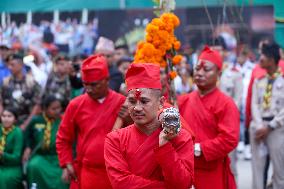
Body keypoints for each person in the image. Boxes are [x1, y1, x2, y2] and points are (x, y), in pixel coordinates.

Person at [104, 63, 194, 189]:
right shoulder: (115, 139)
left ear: (161, 102)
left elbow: (183, 184)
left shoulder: (180, 137)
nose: (137, 108)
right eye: (132, 101)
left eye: (144, 101)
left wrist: (164, 145)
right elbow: (121, 184)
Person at [56, 54, 126, 189]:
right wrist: (67, 163)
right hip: (87, 171)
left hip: (117, 172)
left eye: (94, 85)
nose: (88, 89)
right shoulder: (75, 105)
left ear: (107, 80)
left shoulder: (122, 103)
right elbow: (63, 138)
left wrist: (128, 118)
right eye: (85, 84)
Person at [178, 46, 240, 189]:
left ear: (219, 73)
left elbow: (229, 139)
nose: (199, 73)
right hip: (185, 168)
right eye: (197, 68)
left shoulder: (226, 104)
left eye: (206, 70)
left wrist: (199, 148)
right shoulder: (184, 100)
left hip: (211, 170)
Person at [250, 43, 284, 189]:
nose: (260, 58)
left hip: (277, 129)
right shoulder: (258, 82)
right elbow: (254, 105)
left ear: (271, 59)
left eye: (263, 55)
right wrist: (259, 126)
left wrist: (270, 126)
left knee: (279, 171)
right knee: (257, 170)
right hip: (258, 129)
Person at [23, 95, 69, 189]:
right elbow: (27, 135)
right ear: (45, 109)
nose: (57, 111)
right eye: (53, 109)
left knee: (62, 175)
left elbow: (70, 141)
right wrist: (27, 147)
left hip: (58, 157)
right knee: (33, 166)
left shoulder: (64, 120)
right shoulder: (36, 120)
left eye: (59, 108)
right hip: (41, 156)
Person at [0, 53, 41, 130]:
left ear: (21, 65)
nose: (9, 67)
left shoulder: (31, 83)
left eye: (12, 65)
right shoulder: (5, 82)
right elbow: (1, 103)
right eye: (8, 65)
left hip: (26, 123)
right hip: (7, 124)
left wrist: (26, 124)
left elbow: (37, 106)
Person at [0, 107, 24, 189]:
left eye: (9, 116)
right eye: (3, 116)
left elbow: (16, 158)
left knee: (3, 179)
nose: (6, 119)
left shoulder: (17, 132)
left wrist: (2, 154)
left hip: (12, 167)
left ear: (15, 119)